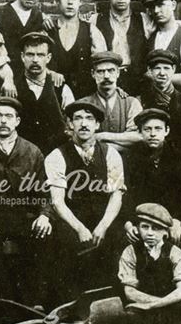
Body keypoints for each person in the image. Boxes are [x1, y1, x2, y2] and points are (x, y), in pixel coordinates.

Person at [0, 96, 52, 305]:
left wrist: (44, 215)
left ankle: (36, 304)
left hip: (26, 217)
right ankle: (4, 307)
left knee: (44, 238)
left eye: (8, 116)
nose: (3, 121)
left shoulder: (32, 152)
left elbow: (43, 192)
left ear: (17, 121)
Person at [44, 101, 125, 305]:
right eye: (78, 118)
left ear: (97, 125)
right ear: (70, 124)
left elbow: (116, 195)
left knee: (116, 241)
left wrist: (103, 226)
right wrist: (80, 228)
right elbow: (57, 202)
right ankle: (71, 307)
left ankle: (112, 304)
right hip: (72, 218)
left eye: (89, 119)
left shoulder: (110, 154)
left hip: (102, 217)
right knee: (65, 243)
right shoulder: (57, 156)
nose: (84, 124)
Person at [91, 0, 181, 96]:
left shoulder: (144, 19)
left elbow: (168, 22)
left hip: (138, 85)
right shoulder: (95, 20)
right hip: (108, 82)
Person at [122, 108, 181, 246]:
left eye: (158, 129)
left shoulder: (179, 157)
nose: (153, 134)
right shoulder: (130, 158)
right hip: (140, 222)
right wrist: (129, 224)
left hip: (171, 221)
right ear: (140, 132)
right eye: (147, 129)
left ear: (167, 131)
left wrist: (176, 221)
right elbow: (126, 195)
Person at [13, 31, 72, 155]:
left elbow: (72, 124)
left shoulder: (61, 88)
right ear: (22, 57)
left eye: (40, 55)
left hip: (56, 155)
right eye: (30, 55)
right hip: (21, 156)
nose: (35, 60)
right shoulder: (12, 87)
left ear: (48, 58)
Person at [138, 49, 181, 158]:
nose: (162, 73)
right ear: (150, 70)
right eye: (157, 68)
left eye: (166, 68)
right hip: (149, 161)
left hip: (180, 161)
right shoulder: (140, 101)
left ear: (173, 69)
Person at [46, 0, 106, 99]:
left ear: (80, 2)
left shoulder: (91, 30)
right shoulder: (48, 30)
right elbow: (37, 61)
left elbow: (103, 62)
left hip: (85, 94)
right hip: (53, 93)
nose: (70, 2)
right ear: (57, 1)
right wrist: (49, 73)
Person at [75, 51, 143, 152]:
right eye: (100, 71)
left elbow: (138, 137)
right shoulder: (83, 104)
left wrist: (101, 136)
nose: (106, 76)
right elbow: (78, 140)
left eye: (111, 70)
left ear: (118, 73)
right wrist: (122, 142)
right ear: (93, 74)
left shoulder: (131, 103)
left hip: (126, 162)